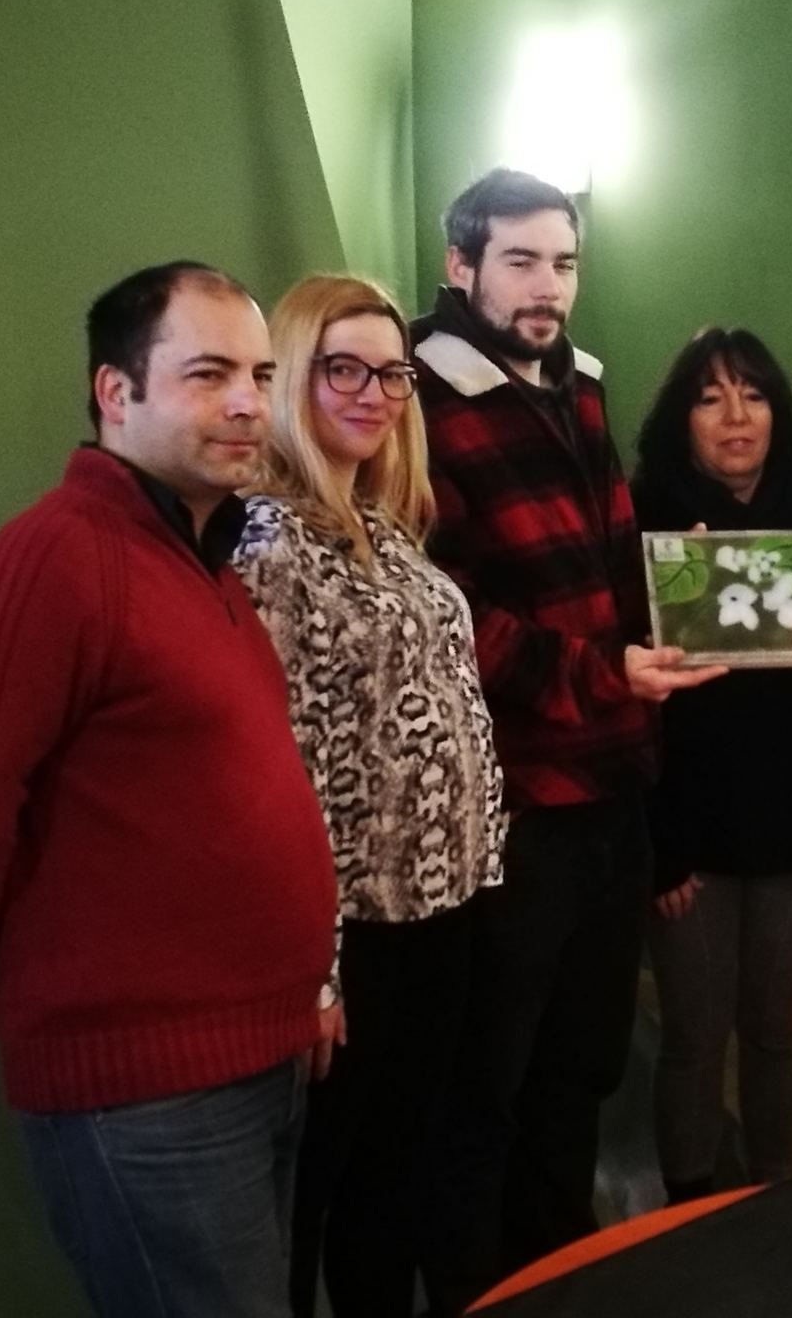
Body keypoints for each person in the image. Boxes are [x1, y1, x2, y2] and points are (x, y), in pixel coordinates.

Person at [0, 261, 337, 1317]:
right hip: (150, 1094)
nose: (247, 404)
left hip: (259, 1055)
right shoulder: (55, 559)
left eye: (261, 376)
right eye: (208, 374)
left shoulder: (201, 560)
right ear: (115, 392)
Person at [409, 168, 719, 1310]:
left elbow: (612, 567)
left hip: (610, 791)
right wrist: (599, 673)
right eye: (522, 261)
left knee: (581, 1069)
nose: (548, 287)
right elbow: (441, 610)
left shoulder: (579, 384)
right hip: (511, 810)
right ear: (461, 266)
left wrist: (692, 596)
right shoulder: (414, 394)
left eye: (565, 263)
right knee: (486, 1085)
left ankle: (557, 1279)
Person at [232, 274, 508, 1317]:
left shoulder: (384, 528)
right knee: (324, 1194)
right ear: (291, 376)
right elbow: (282, 765)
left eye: (392, 373)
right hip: (354, 930)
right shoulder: (269, 543)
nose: (373, 393)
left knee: (398, 1179)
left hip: (442, 905)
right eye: (341, 368)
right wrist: (317, 972)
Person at [629, 328, 792, 1202]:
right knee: (693, 1035)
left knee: (775, 1032)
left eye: (752, 394)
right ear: (681, 418)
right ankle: (689, 1208)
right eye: (710, 397)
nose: (734, 415)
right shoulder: (643, 520)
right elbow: (630, 704)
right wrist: (660, 842)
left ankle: (777, 1197)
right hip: (690, 839)